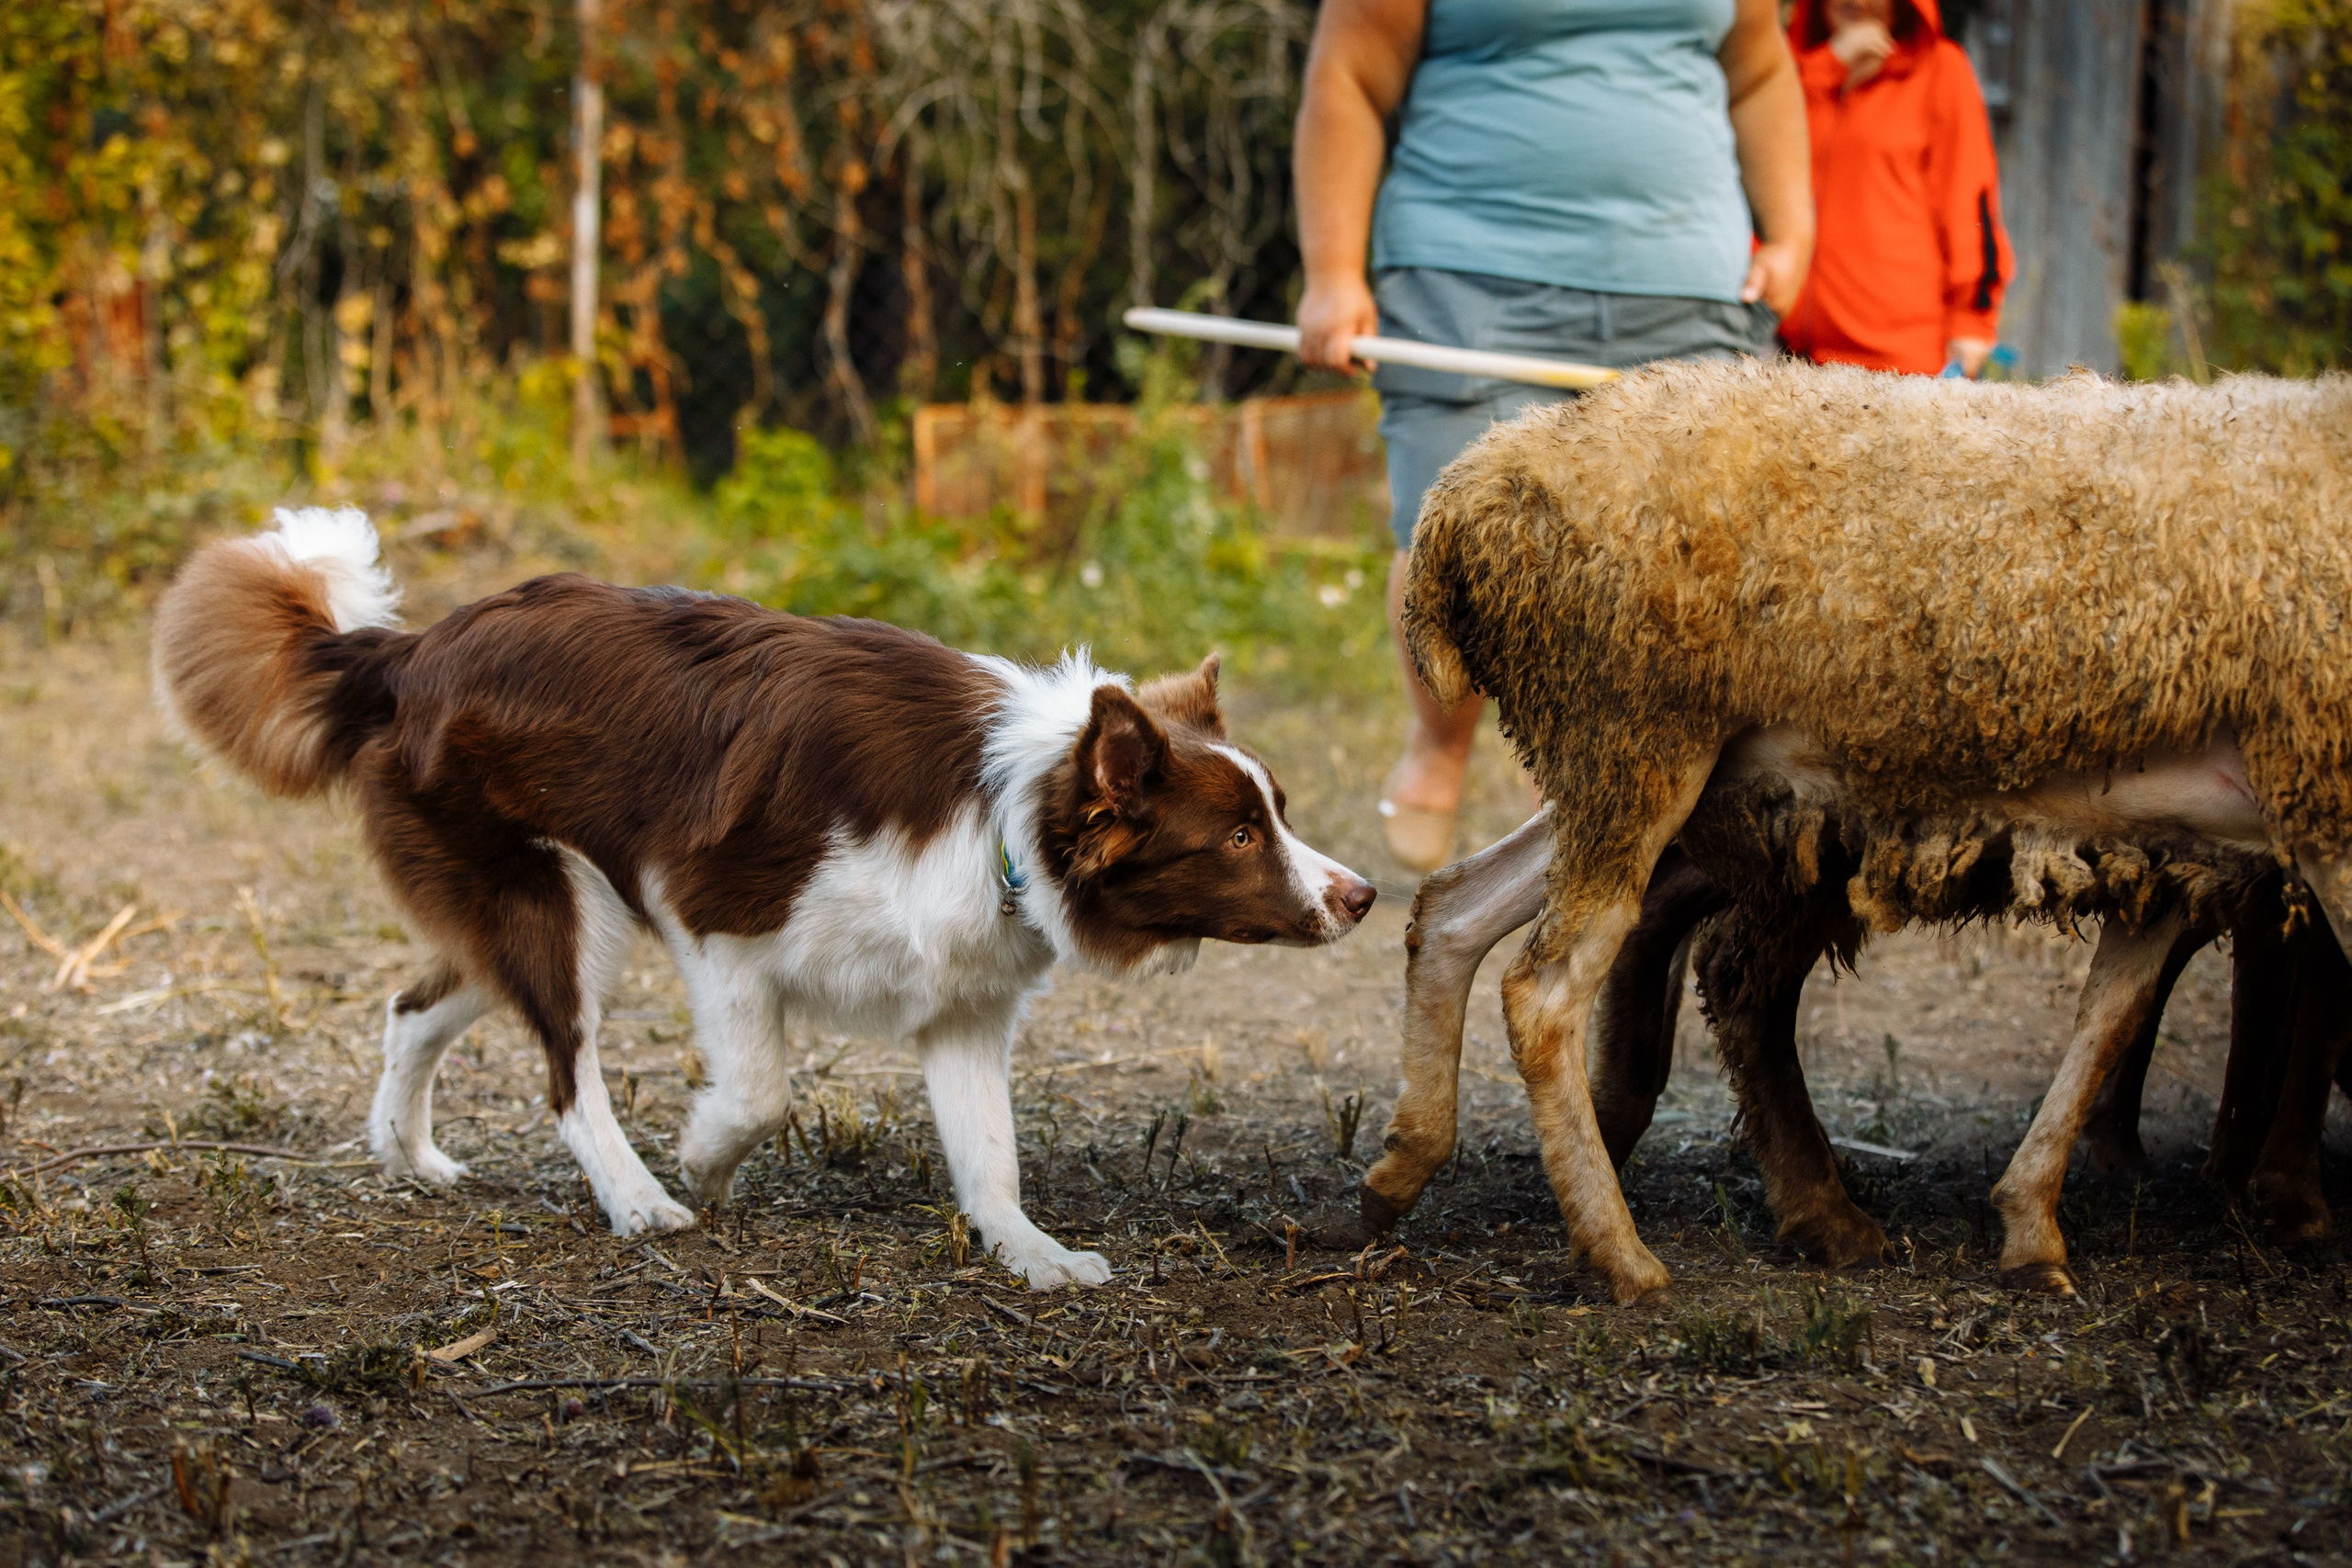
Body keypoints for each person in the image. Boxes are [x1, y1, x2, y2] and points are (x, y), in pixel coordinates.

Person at [1294, 0, 1814, 874]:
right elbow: (1349, 72)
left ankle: (1575, 782)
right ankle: (1441, 737)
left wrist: (1793, 231)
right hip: (1468, 280)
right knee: (1448, 542)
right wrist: (1332, 273)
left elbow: (1759, 69)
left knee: (1667, 570)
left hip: (1687, 287)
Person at [1776, 0, 2012, 377]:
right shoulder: (1791, 70)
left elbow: (1970, 202)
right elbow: (1767, 147)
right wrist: (1830, 66)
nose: (1856, 2)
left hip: (1901, 363)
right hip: (1790, 357)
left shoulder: (1941, 70)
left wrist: (1972, 321)